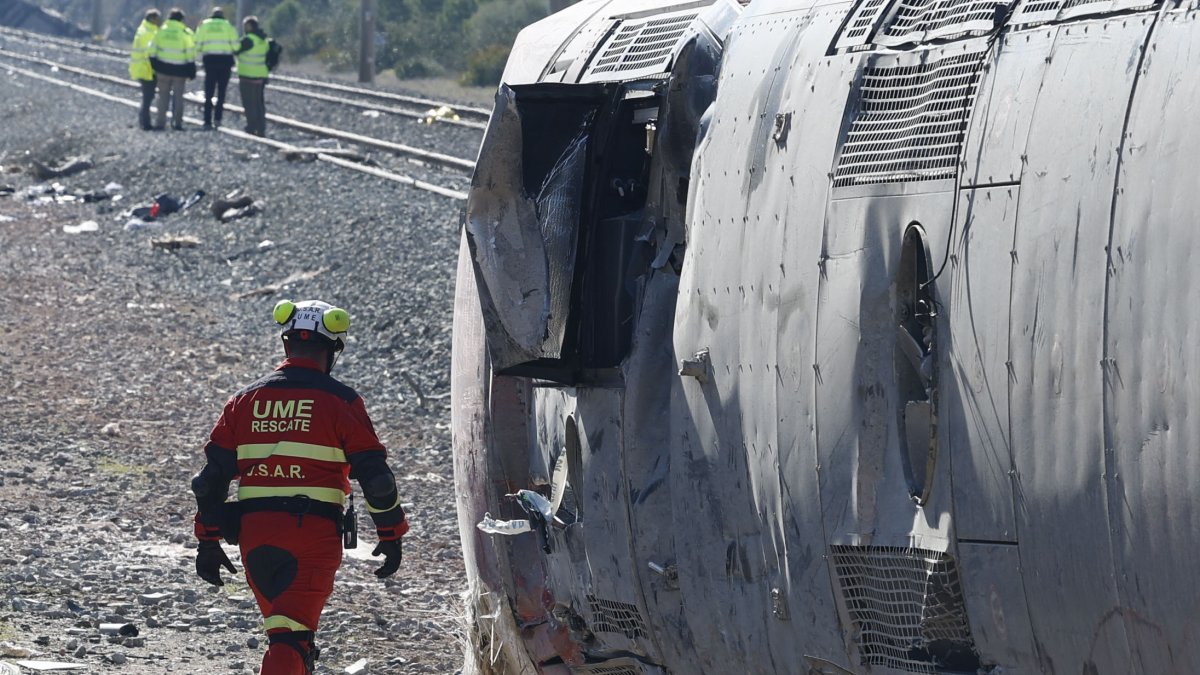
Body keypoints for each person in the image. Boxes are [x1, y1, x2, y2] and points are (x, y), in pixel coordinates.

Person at [190, 300, 408, 675]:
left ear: (286, 343)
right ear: (332, 350)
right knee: (290, 637)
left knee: (285, 633)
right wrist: (391, 532)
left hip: (253, 534)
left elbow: (209, 482)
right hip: (313, 534)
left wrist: (207, 541)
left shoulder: (243, 402)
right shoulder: (342, 402)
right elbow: (377, 479)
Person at [148, 7, 195, 130]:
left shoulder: (161, 31)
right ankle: (177, 123)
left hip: (163, 69)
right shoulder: (185, 33)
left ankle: (160, 123)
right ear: (181, 20)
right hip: (180, 71)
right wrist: (191, 69)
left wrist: (155, 66)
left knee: (163, 97)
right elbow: (190, 53)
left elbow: (152, 51)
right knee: (178, 98)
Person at [194, 7, 239, 130]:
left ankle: (207, 120)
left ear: (212, 15)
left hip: (210, 61)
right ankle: (218, 119)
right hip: (225, 61)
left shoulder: (205, 25)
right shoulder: (228, 26)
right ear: (222, 15)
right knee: (221, 91)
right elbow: (236, 46)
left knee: (209, 91)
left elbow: (197, 44)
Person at [235, 15, 271, 137]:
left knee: (249, 103)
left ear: (249, 26)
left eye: (245, 26)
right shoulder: (263, 40)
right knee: (259, 103)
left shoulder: (248, 40)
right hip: (260, 75)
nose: (244, 28)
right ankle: (261, 128)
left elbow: (236, 49)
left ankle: (251, 126)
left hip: (247, 75)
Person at [128, 9, 161, 130]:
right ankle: (145, 123)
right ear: (152, 18)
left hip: (143, 68)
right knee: (148, 97)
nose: (159, 21)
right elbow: (150, 53)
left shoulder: (145, 29)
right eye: (157, 18)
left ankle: (144, 121)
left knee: (147, 97)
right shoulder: (148, 32)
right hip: (146, 70)